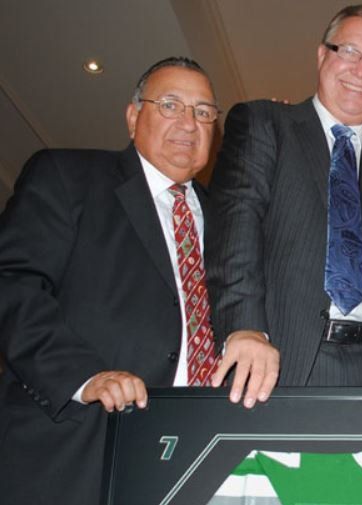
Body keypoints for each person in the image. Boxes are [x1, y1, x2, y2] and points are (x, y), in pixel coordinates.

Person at [0, 57, 266, 505]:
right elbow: (12, 282)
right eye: (170, 105)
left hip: (198, 459)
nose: (189, 123)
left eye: (204, 112)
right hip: (74, 452)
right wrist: (84, 377)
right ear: (132, 116)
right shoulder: (68, 177)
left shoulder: (231, 218)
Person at [206, 3, 362, 397]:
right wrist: (244, 326)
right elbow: (237, 224)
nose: (361, 70)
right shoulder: (265, 125)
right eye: (350, 52)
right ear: (323, 55)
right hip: (280, 362)